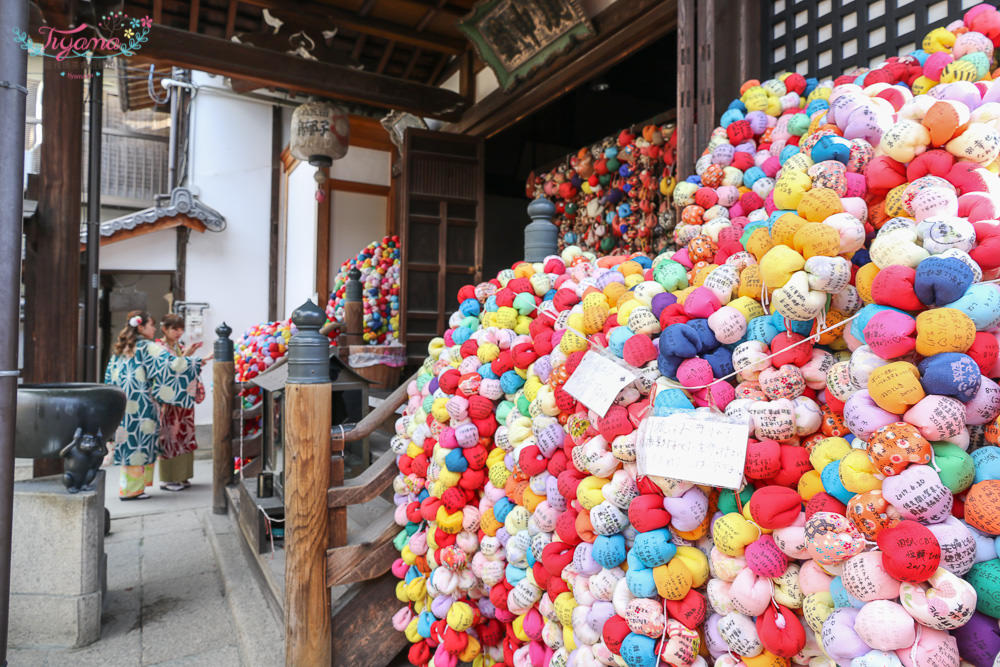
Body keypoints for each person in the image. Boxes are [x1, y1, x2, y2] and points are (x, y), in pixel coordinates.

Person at [104, 310, 208, 500]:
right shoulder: (147, 346)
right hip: (142, 403)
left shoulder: (121, 349)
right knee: (139, 443)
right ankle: (131, 490)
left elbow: (109, 376)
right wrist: (197, 362)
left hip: (122, 402)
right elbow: (170, 365)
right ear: (141, 327)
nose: (154, 328)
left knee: (130, 442)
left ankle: (133, 487)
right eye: (151, 325)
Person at [155, 313, 203, 491]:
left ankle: (182, 475)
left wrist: (187, 354)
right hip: (169, 399)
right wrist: (188, 356)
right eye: (174, 328)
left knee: (185, 434)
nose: (179, 332)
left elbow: (182, 365)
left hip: (184, 398)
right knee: (170, 435)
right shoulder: (158, 348)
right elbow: (170, 369)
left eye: (181, 328)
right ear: (164, 329)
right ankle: (168, 478)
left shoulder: (178, 346)